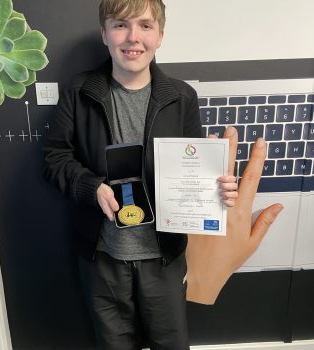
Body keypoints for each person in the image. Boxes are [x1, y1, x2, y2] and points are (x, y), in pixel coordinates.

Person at [43, 0, 283, 349]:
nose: (132, 37)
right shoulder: (79, 92)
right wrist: (91, 188)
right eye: (120, 25)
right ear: (104, 34)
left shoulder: (182, 97)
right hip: (103, 256)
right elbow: (55, 159)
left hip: (164, 256)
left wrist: (217, 191)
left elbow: (195, 172)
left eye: (144, 25)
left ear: (160, 36)